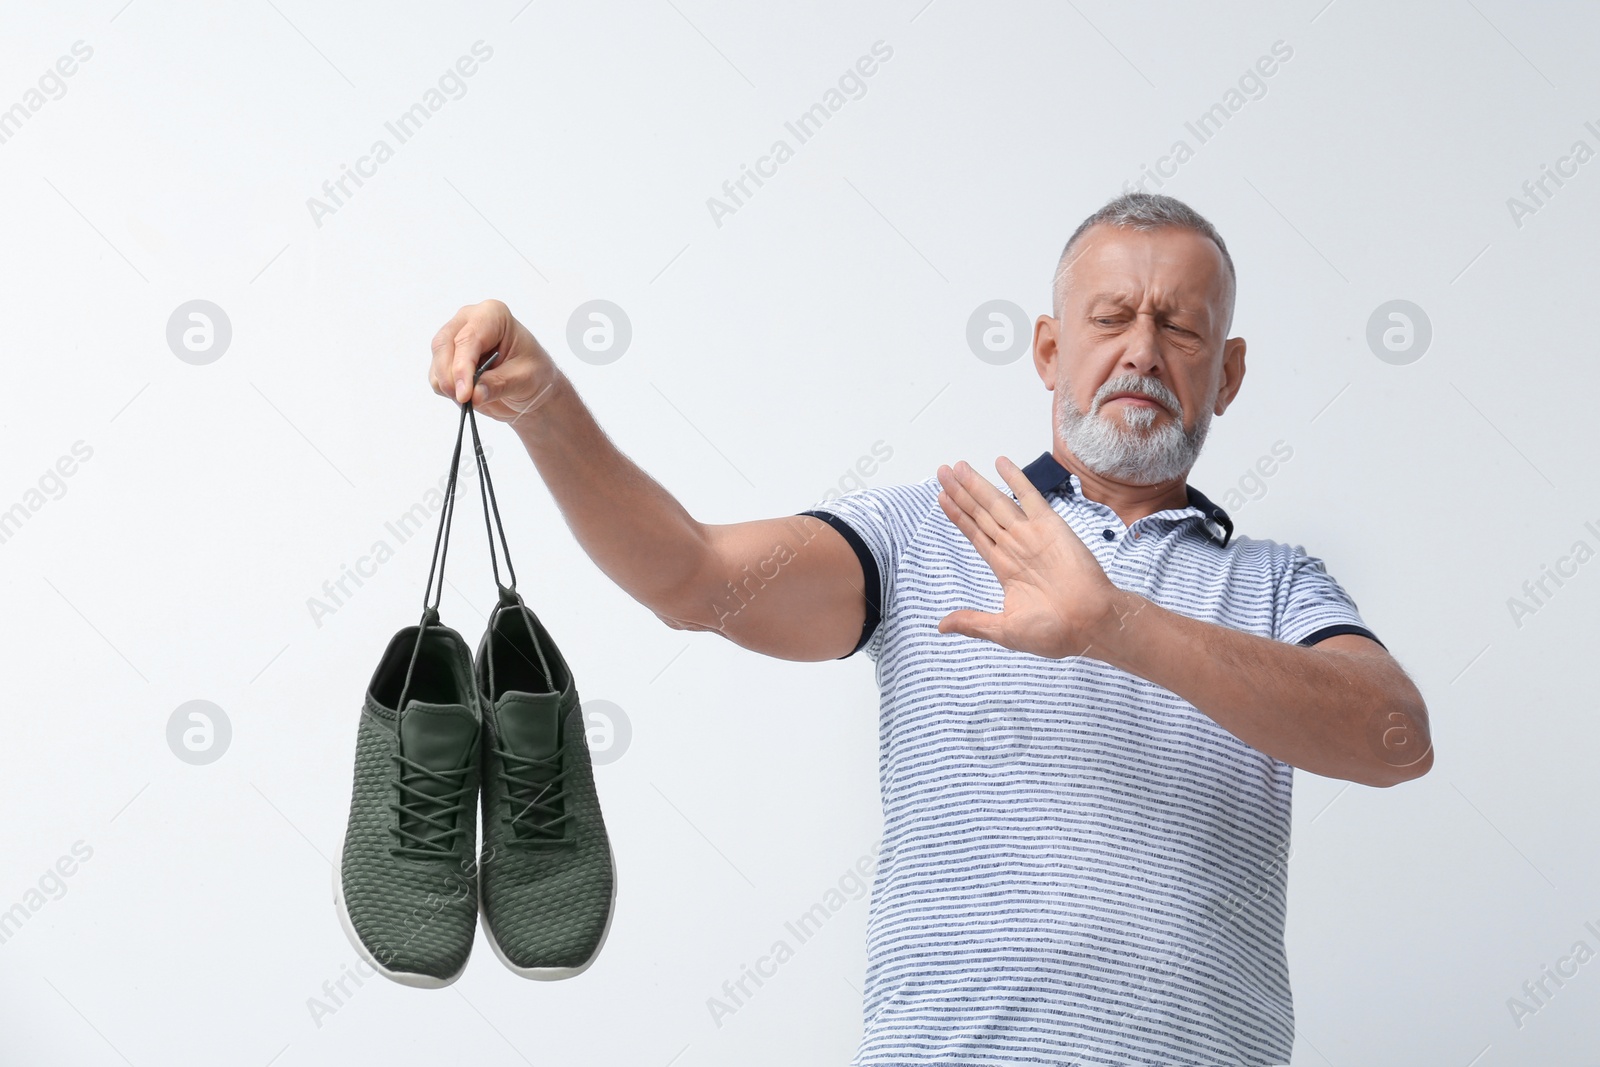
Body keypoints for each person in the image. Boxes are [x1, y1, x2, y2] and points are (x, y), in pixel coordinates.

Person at [427, 191, 1432, 1066]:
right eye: (1111, 316)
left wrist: (1113, 624)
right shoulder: (921, 533)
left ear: (1228, 373)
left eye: (1180, 327)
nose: (1141, 349)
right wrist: (548, 407)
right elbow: (694, 577)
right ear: (1049, 348)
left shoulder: (1274, 585)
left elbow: (1395, 739)